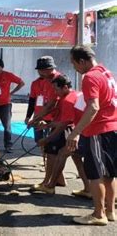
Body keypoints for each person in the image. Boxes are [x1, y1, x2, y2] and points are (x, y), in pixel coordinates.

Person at [66, 45, 117, 225]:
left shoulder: (90, 77)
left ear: (82, 61)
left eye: (74, 64)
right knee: (110, 173)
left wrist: (75, 132)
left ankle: (98, 214)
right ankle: (110, 211)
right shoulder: (106, 72)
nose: (75, 68)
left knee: (95, 174)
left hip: (97, 130)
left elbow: (93, 107)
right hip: (112, 127)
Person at [30, 75, 89, 196]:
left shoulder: (67, 100)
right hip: (80, 129)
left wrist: (46, 138)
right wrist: (46, 124)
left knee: (59, 154)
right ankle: (88, 189)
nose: (55, 92)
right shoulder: (74, 95)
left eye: (57, 89)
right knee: (76, 159)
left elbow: (64, 124)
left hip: (75, 131)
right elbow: (64, 119)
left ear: (65, 87)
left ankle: (49, 185)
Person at [26, 56, 65, 186]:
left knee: (54, 151)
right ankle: (55, 176)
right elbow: (32, 100)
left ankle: (49, 181)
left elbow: (52, 105)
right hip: (40, 118)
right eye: (39, 71)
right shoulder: (36, 83)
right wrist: (31, 117)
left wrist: (38, 119)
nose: (40, 73)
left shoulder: (59, 80)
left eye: (43, 70)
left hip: (55, 120)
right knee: (45, 147)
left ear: (50, 69)